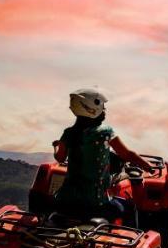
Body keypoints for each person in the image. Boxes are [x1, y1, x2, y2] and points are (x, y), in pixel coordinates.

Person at [53, 88, 153, 220]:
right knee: (129, 207)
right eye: (103, 107)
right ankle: (128, 237)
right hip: (96, 205)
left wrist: (56, 146)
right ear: (92, 109)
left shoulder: (68, 133)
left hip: (65, 202)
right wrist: (147, 165)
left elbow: (60, 158)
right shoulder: (106, 132)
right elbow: (127, 154)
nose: (105, 111)